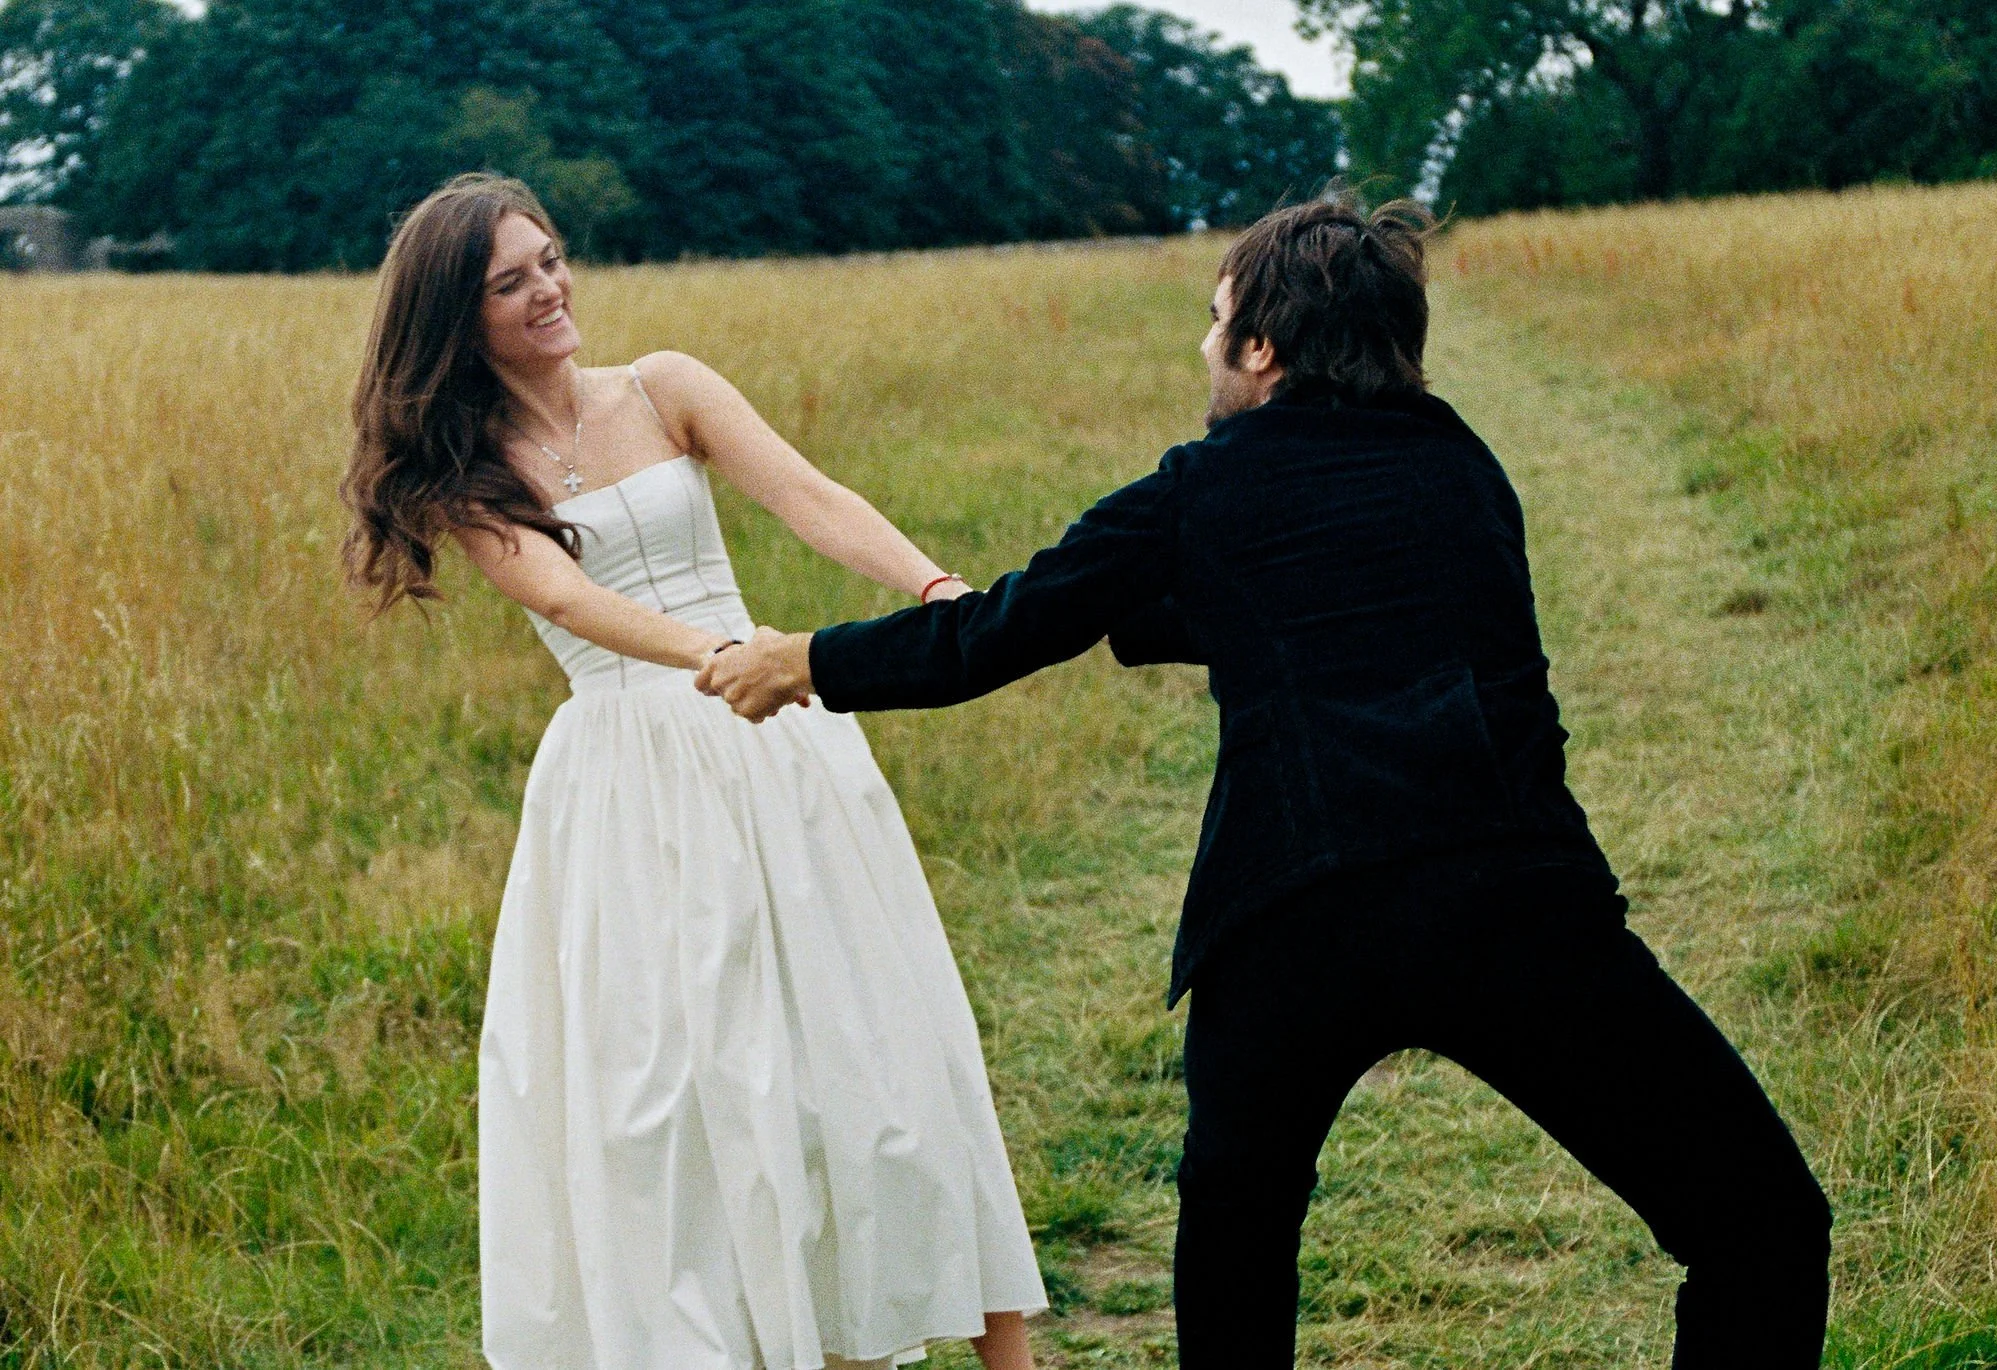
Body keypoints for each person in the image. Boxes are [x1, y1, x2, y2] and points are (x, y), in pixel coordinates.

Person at [697, 191, 1835, 1369]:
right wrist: (1091, 609)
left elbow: (998, 639)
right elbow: (1320, 603)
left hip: (1297, 916)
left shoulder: (1203, 484)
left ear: (1260, 346)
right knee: (1760, 1219)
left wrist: (808, 661)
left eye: (1214, 319)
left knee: (1237, 1268)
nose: (1202, 346)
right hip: (1509, 900)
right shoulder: (1463, 470)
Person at [339, 173, 1045, 1370]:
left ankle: (1000, 1347)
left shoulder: (663, 385)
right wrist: (718, 656)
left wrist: (937, 589)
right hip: (628, 774)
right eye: (510, 283)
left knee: (876, 1045)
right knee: (677, 1091)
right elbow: (565, 596)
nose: (547, 291)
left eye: (549, 260)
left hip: (777, 735)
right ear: (459, 316)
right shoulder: (466, 471)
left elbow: (806, 495)